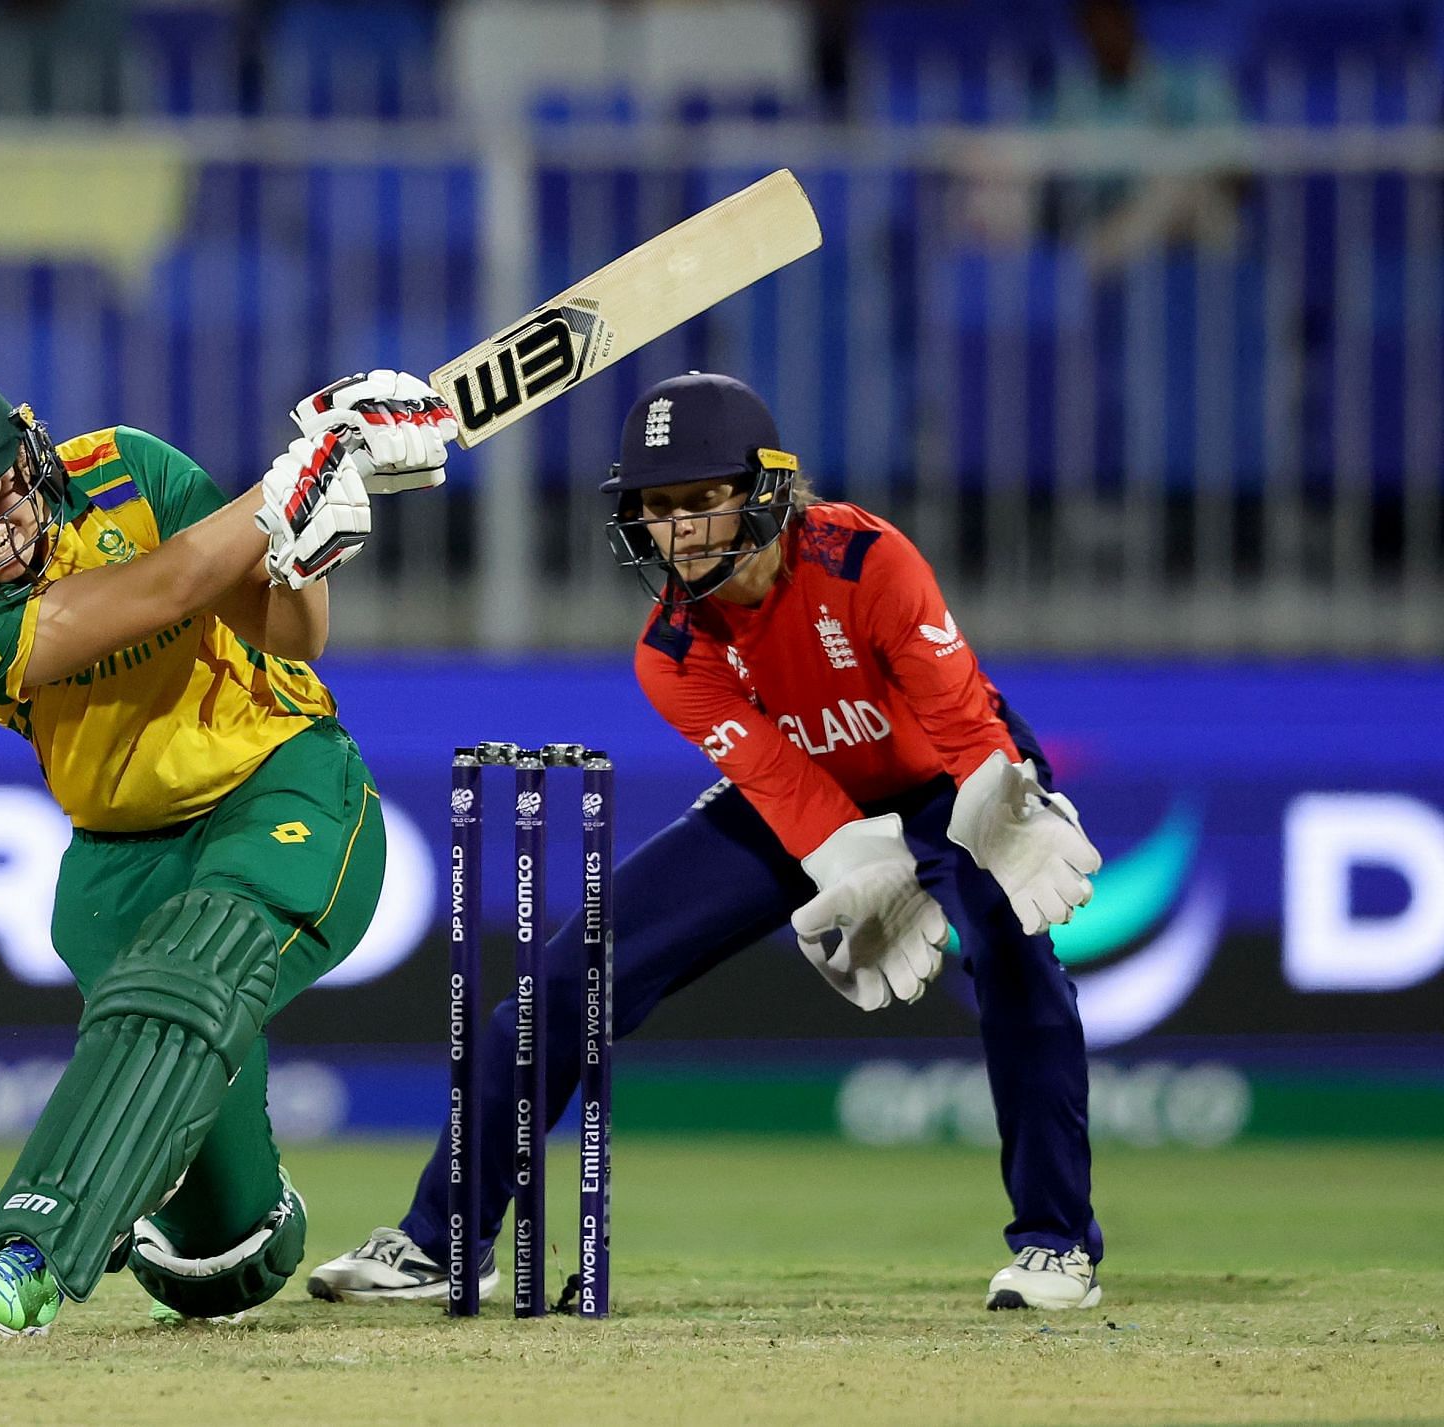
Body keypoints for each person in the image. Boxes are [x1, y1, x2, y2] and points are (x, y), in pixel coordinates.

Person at [308, 371, 1107, 1312]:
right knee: (570, 978)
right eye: (654, 509)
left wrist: (994, 802)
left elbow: (962, 717)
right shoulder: (673, 652)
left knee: (1014, 955)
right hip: (804, 798)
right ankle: (444, 1240)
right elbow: (785, 785)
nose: (675, 530)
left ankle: (1057, 1244)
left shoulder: (865, 560)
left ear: (765, 490)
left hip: (950, 776)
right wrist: (853, 860)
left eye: (699, 502)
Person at [0, 361, 453, 1335]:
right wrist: (300, 473)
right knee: (219, 1255)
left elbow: (291, 635)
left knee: (188, 968)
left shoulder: (128, 470)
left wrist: (305, 550)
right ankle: (227, 1230)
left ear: (30, 448)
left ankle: (27, 1251)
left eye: (0, 486)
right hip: (119, 856)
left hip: (283, 783)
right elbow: (170, 584)